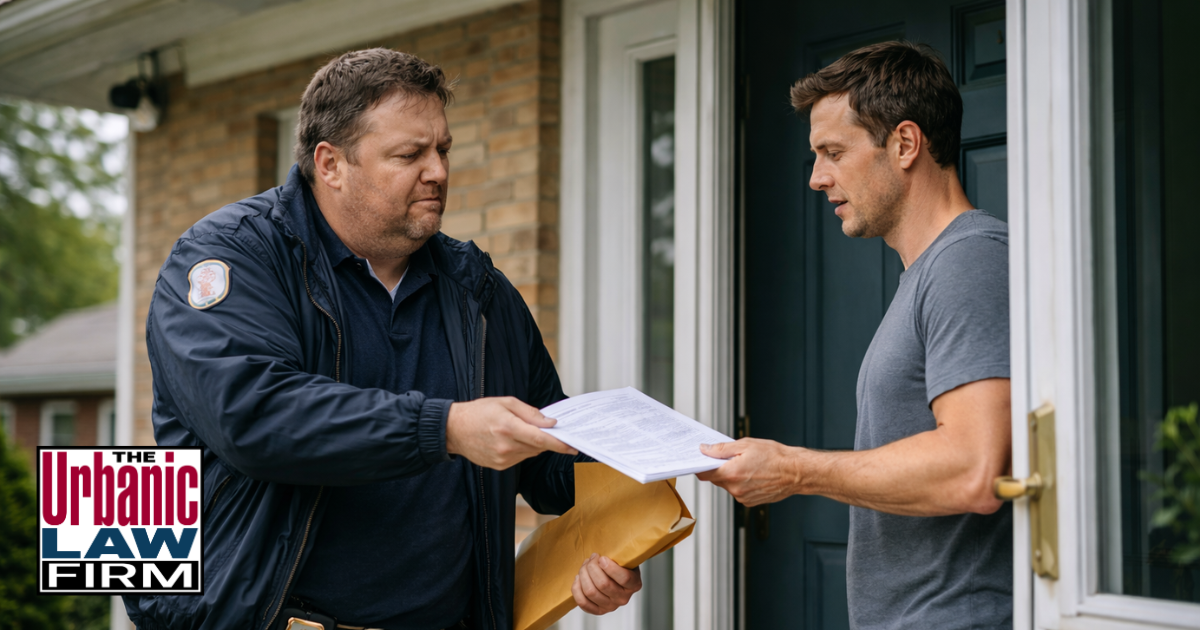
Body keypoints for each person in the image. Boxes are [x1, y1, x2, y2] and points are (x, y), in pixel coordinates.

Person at [124, 48, 640, 630]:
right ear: (331, 164)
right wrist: (445, 428)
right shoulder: (231, 255)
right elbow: (254, 417)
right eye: (409, 154)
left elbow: (554, 463)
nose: (438, 171)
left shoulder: (480, 291)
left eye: (443, 149)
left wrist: (625, 524)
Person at [698, 41, 1012, 629]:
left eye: (833, 152)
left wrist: (793, 470)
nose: (817, 178)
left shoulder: (970, 262)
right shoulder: (930, 273)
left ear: (905, 144)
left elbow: (973, 466)